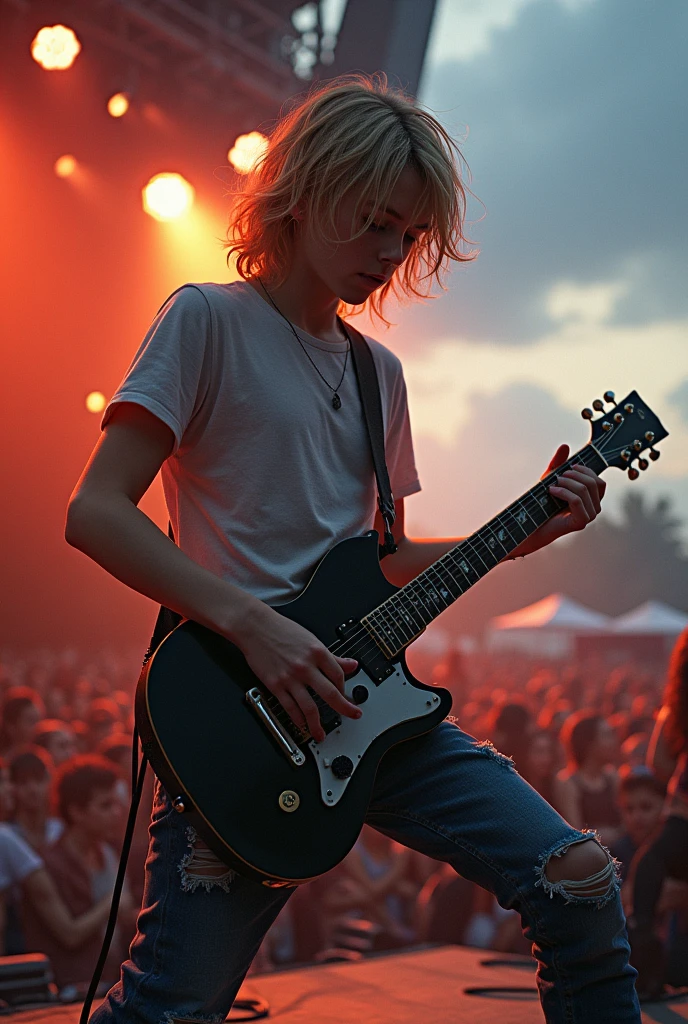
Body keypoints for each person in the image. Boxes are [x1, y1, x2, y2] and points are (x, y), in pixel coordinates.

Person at [65, 74, 639, 1023]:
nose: (390, 254)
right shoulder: (205, 320)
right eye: (375, 222)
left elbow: (380, 568)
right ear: (305, 190)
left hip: (371, 706)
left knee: (579, 881)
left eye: (408, 235)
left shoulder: (383, 374)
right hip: (240, 716)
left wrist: (513, 541)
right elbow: (95, 511)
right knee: (170, 1008)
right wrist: (259, 629)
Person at [21, 755, 134, 996]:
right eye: (105, 805)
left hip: (111, 982)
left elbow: (124, 915)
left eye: (116, 804)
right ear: (76, 812)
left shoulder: (108, 853)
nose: (116, 813)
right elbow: (69, 935)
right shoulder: (49, 865)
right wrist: (111, 903)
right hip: (70, 991)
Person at [627, 626, 688, 997]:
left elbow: (658, 761)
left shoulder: (678, 708)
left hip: (678, 821)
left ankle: (643, 946)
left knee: (650, 866)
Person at [553, 710, 623, 845]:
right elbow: (577, 834)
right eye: (606, 735)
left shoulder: (613, 777)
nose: (613, 741)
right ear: (589, 743)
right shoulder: (568, 783)